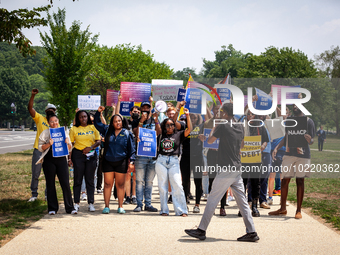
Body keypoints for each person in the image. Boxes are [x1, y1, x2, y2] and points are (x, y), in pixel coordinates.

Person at [185, 103, 259, 242]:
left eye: (221, 112)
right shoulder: (240, 126)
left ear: (225, 113)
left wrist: (209, 133)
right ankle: (252, 232)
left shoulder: (223, 126)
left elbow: (211, 140)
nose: (220, 113)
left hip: (226, 169)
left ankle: (201, 230)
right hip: (237, 166)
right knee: (242, 201)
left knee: (212, 198)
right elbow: (241, 145)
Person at [269, 104, 315, 219]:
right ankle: (282, 208)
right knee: (284, 181)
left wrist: (310, 140)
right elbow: (286, 136)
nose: (294, 107)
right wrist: (277, 148)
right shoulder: (290, 120)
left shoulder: (309, 121)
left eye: (297, 105)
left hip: (303, 155)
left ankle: (298, 210)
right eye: (293, 105)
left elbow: (312, 140)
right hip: (289, 154)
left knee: (300, 181)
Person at [94, 106, 136, 214]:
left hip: (121, 162)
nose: (117, 123)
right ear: (112, 123)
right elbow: (97, 123)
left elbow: (132, 149)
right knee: (107, 184)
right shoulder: (107, 130)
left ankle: (120, 206)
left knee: (120, 185)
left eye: (119, 121)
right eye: (115, 121)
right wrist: (98, 113)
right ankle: (106, 206)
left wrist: (132, 162)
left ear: (122, 122)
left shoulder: (127, 133)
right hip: (108, 161)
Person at [36, 114, 77, 215]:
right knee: (50, 184)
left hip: (61, 159)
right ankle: (52, 208)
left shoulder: (64, 132)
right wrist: (49, 144)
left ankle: (70, 208)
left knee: (65, 183)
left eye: (56, 121)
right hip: (49, 159)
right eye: (52, 121)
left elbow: (69, 148)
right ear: (49, 123)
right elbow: (40, 148)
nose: (54, 123)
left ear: (58, 121)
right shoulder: (45, 133)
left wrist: (67, 143)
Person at [155, 108, 191, 216]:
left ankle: (181, 210)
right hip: (161, 160)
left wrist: (187, 116)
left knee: (177, 185)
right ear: (164, 127)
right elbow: (156, 128)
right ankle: (164, 210)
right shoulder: (161, 134)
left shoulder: (178, 134)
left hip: (174, 161)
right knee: (162, 186)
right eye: (168, 125)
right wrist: (156, 118)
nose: (170, 126)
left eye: (172, 125)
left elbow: (189, 129)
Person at [132, 101, 161, 212]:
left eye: (147, 108)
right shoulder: (136, 121)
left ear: (150, 109)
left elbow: (159, 132)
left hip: (152, 155)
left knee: (149, 182)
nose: (145, 109)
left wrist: (157, 120)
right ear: (140, 110)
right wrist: (141, 121)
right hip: (140, 155)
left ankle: (148, 204)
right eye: (143, 108)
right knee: (139, 181)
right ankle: (139, 204)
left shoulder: (154, 120)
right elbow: (136, 134)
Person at [69, 110, 101, 212]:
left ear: (88, 117)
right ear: (78, 119)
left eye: (85, 116)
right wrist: (69, 159)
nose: (83, 118)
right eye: (81, 117)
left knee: (90, 180)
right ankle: (76, 203)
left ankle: (91, 203)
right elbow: (70, 144)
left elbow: (99, 141)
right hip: (78, 155)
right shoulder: (74, 129)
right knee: (77, 180)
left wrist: (90, 148)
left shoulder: (93, 127)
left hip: (91, 155)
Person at [27, 88, 56, 202]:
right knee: (36, 173)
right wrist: (33, 96)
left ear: (55, 112)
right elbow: (30, 109)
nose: (50, 111)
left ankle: (47, 194)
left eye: (52, 110)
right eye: (48, 110)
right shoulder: (40, 119)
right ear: (45, 112)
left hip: (51, 151)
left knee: (49, 174)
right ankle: (34, 194)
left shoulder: (55, 123)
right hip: (39, 150)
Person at [180, 113, 204, 213]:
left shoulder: (201, 127)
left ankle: (197, 205)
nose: (192, 119)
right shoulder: (183, 127)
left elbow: (209, 119)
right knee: (185, 182)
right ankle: (185, 203)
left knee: (198, 182)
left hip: (198, 158)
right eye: (190, 117)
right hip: (185, 157)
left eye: (195, 117)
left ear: (198, 118)